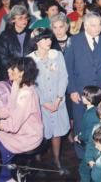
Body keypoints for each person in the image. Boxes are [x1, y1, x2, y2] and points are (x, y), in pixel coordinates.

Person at [64, 12, 101, 159]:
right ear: (85, 26)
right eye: (93, 25)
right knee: (81, 124)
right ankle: (82, 157)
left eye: (99, 24)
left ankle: (100, 155)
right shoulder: (74, 41)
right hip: (80, 92)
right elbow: (68, 68)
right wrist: (72, 90)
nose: (97, 28)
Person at [28, 28, 70, 171]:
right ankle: (38, 160)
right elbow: (30, 85)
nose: (49, 41)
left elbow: (64, 77)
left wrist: (58, 99)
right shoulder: (30, 60)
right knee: (41, 133)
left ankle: (57, 160)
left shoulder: (57, 55)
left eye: (49, 38)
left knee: (56, 132)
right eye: (45, 39)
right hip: (40, 104)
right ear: (36, 41)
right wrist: (44, 103)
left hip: (58, 101)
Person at [0, 5, 33, 79]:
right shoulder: (5, 35)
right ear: (13, 20)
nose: (24, 21)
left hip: (29, 73)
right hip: (11, 73)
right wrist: (14, 71)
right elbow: (3, 57)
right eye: (20, 18)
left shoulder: (32, 33)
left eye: (26, 18)